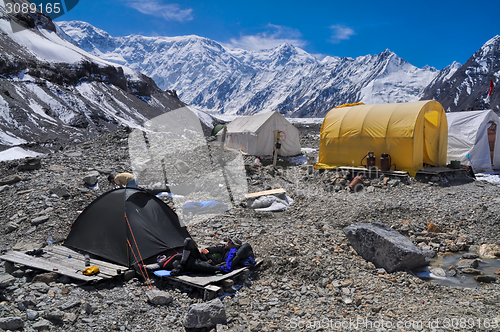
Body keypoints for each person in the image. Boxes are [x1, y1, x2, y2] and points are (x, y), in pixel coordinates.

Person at [169, 237, 255, 276]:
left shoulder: (230, 255)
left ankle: (180, 266)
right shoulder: (223, 248)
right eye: (228, 240)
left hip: (208, 263)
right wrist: (206, 250)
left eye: (230, 242)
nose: (228, 242)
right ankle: (181, 265)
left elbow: (217, 263)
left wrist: (208, 255)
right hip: (202, 257)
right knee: (188, 241)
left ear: (234, 246)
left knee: (180, 256)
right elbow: (214, 249)